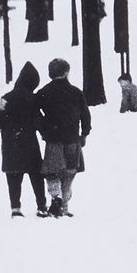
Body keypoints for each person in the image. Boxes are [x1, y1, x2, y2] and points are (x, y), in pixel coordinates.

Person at [0, 62, 47, 218]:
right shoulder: (32, 99)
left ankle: (15, 207)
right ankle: (41, 205)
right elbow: (38, 120)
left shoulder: (6, 98)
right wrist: (46, 133)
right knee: (36, 175)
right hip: (29, 143)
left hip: (10, 144)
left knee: (13, 177)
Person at [36, 58, 91, 217]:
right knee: (69, 173)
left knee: (52, 172)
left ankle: (56, 197)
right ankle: (65, 205)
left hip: (53, 139)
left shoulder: (44, 92)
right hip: (73, 139)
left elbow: (34, 113)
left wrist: (43, 128)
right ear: (66, 72)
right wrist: (84, 133)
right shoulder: (76, 92)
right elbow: (86, 115)